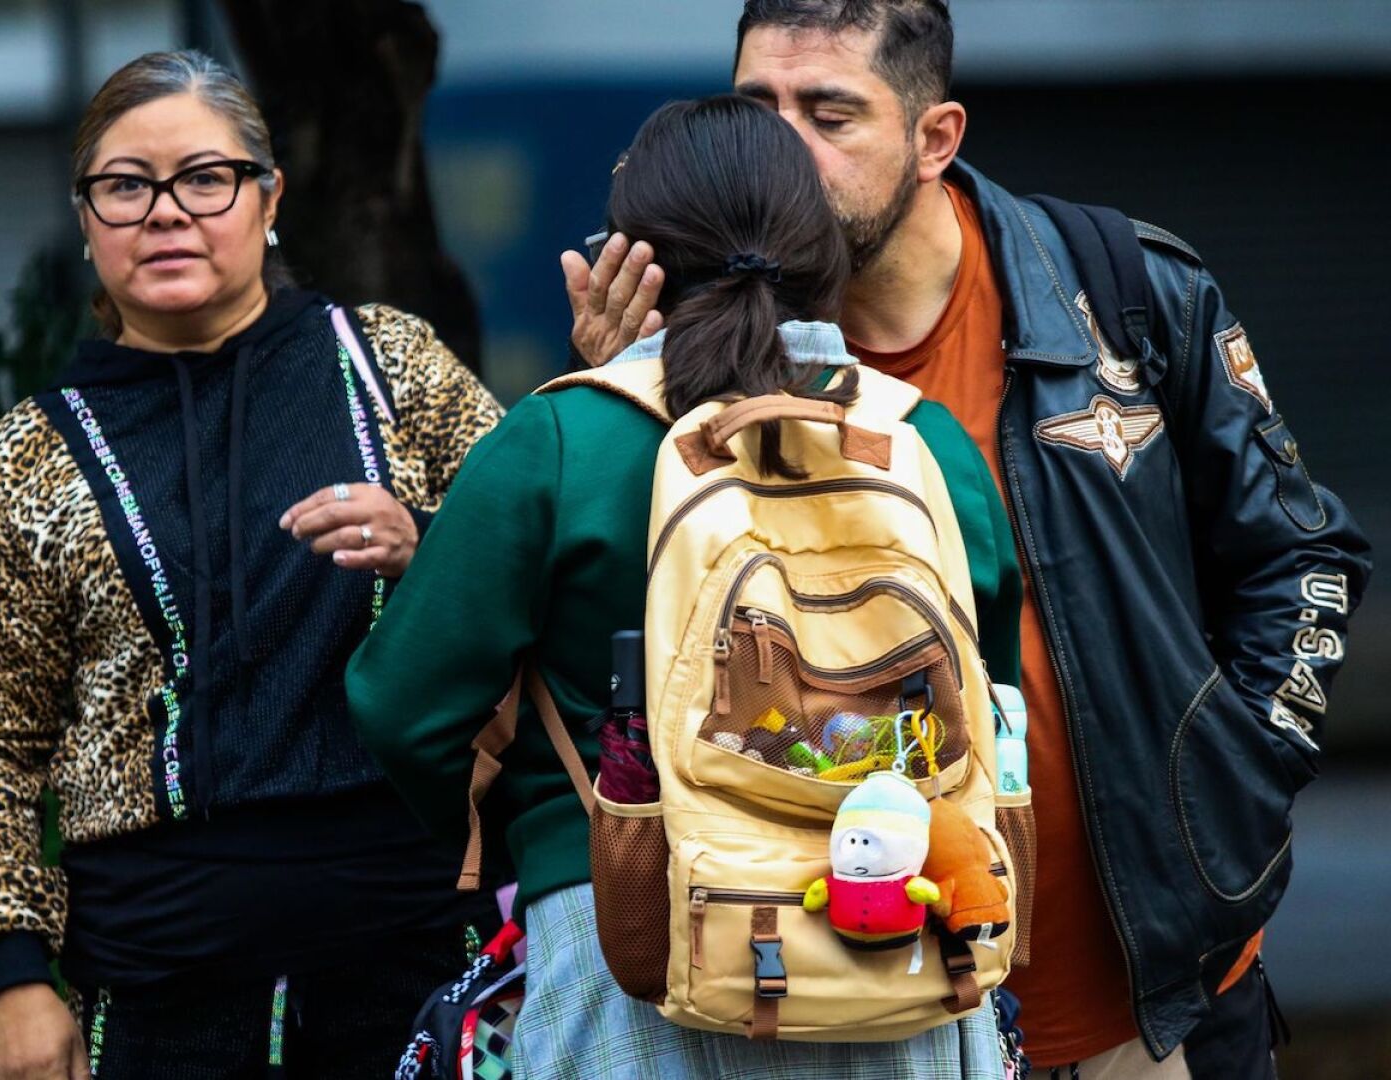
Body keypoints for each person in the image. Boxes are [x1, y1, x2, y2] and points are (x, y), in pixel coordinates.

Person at [563, 3, 1373, 1078]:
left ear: (935, 138)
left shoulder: (1122, 293)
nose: (783, 146)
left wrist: (1240, 769)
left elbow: (1302, 557)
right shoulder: (703, 349)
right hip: (853, 1005)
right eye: (757, 107)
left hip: (1159, 997)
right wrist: (627, 413)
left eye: (830, 112)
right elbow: (629, 661)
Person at [348, 93, 1022, 1079]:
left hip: (628, 945)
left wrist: (540, 837)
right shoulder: (927, 447)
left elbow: (401, 703)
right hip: (898, 945)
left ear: (637, 259)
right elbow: (989, 695)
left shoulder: (559, 442)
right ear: (821, 250)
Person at [0, 50, 502, 1079]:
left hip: (417, 965)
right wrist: (12, 975)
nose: (167, 212)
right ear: (84, 217)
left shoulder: (389, 367)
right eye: (126, 186)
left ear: (268, 197)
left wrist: (431, 538)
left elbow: (546, 577)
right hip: (159, 995)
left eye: (205, 178)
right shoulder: (24, 459)